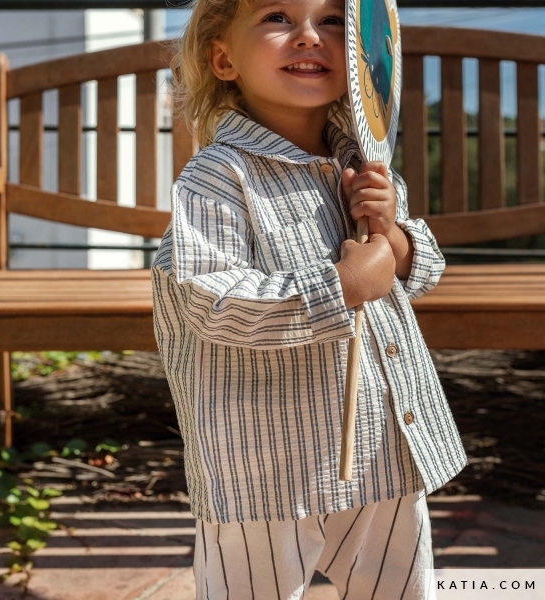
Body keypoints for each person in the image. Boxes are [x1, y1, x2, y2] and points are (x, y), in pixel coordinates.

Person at [151, 0, 467, 598]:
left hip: (381, 441)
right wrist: (342, 287)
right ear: (224, 58)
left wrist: (392, 239)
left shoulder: (366, 166)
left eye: (331, 22)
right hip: (264, 462)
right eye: (277, 17)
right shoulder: (217, 177)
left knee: (400, 587)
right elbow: (211, 303)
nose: (307, 37)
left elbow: (412, 278)